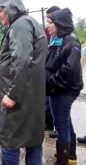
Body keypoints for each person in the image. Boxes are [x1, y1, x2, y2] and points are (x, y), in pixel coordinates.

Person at [0, 0, 47, 164]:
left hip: (19, 99)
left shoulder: (20, 25)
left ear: (10, 8)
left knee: (10, 141)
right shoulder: (30, 22)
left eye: (0, 11)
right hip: (31, 95)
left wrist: (12, 95)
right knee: (33, 140)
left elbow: (22, 60)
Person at [46, 8, 83, 164]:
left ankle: (63, 161)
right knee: (65, 122)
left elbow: (70, 70)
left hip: (63, 90)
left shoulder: (71, 41)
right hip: (57, 89)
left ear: (59, 24)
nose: (47, 25)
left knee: (62, 127)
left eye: (50, 22)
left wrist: (50, 81)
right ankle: (70, 156)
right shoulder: (57, 38)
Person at [44, 6, 61, 139]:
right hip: (50, 78)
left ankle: (68, 154)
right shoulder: (51, 35)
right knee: (49, 104)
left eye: (50, 20)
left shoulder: (65, 38)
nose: (48, 24)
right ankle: (51, 125)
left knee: (61, 113)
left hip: (58, 80)